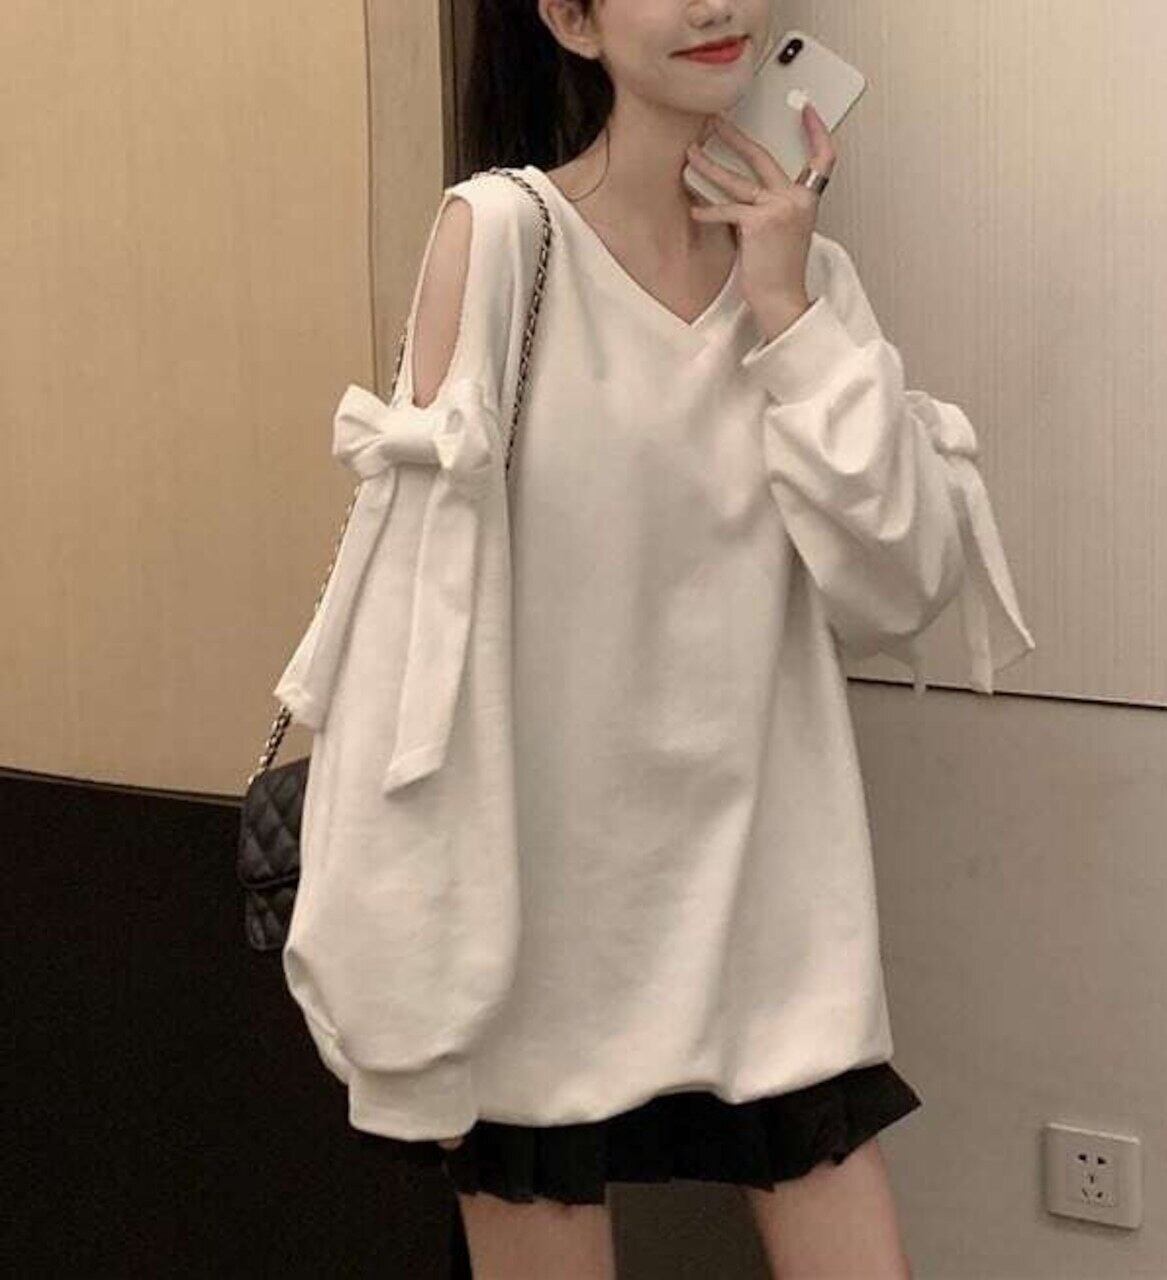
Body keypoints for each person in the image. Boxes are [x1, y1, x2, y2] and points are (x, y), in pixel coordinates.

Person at [276, 1, 1036, 1276]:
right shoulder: (501, 237)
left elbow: (898, 583)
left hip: (768, 897)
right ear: (570, 19)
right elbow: (411, 612)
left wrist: (784, 302)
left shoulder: (804, 275)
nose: (713, 3)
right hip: (533, 905)